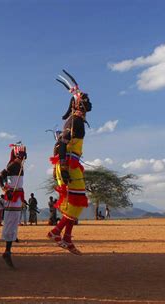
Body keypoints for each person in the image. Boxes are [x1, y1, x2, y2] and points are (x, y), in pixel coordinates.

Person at [47, 70, 92, 255]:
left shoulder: (76, 121)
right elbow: (61, 144)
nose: (87, 105)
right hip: (68, 164)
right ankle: (56, 232)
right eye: (84, 102)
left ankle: (66, 238)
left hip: (69, 163)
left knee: (75, 201)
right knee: (77, 201)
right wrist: (64, 167)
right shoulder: (74, 121)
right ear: (77, 104)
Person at [0, 142, 27, 268]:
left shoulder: (19, 166)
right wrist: (5, 189)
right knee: (11, 222)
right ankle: (7, 251)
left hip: (17, 198)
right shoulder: (13, 165)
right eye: (23, 154)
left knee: (14, 222)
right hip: (12, 198)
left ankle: (9, 248)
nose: (24, 156)